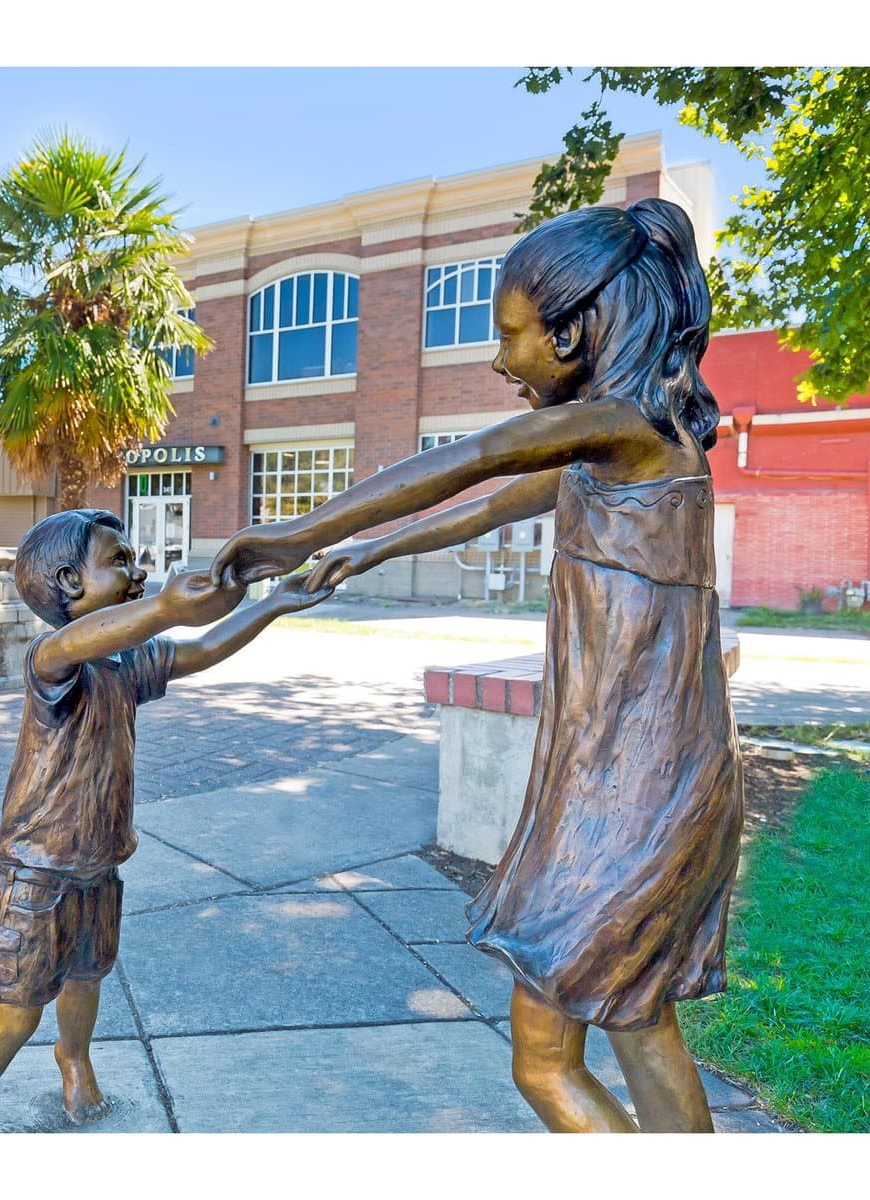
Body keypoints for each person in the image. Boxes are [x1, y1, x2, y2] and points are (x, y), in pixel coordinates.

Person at [210, 198, 742, 1133]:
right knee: (637, 1019)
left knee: (545, 1061)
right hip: (642, 783)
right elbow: (485, 506)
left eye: (509, 335)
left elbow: (478, 458)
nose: (500, 362)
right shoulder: (639, 446)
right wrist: (367, 551)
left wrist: (292, 534)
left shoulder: (623, 430)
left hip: (630, 797)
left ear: (571, 334)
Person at [0, 508, 333, 1133]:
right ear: (70, 581)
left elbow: (201, 649)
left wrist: (275, 601)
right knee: (17, 1012)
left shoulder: (125, 664)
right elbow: (97, 636)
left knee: (86, 978)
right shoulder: (53, 660)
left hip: (98, 866)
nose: (138, 570)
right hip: (33, 876)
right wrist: (167, 608)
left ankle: (74, 1060)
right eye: (119, 560)